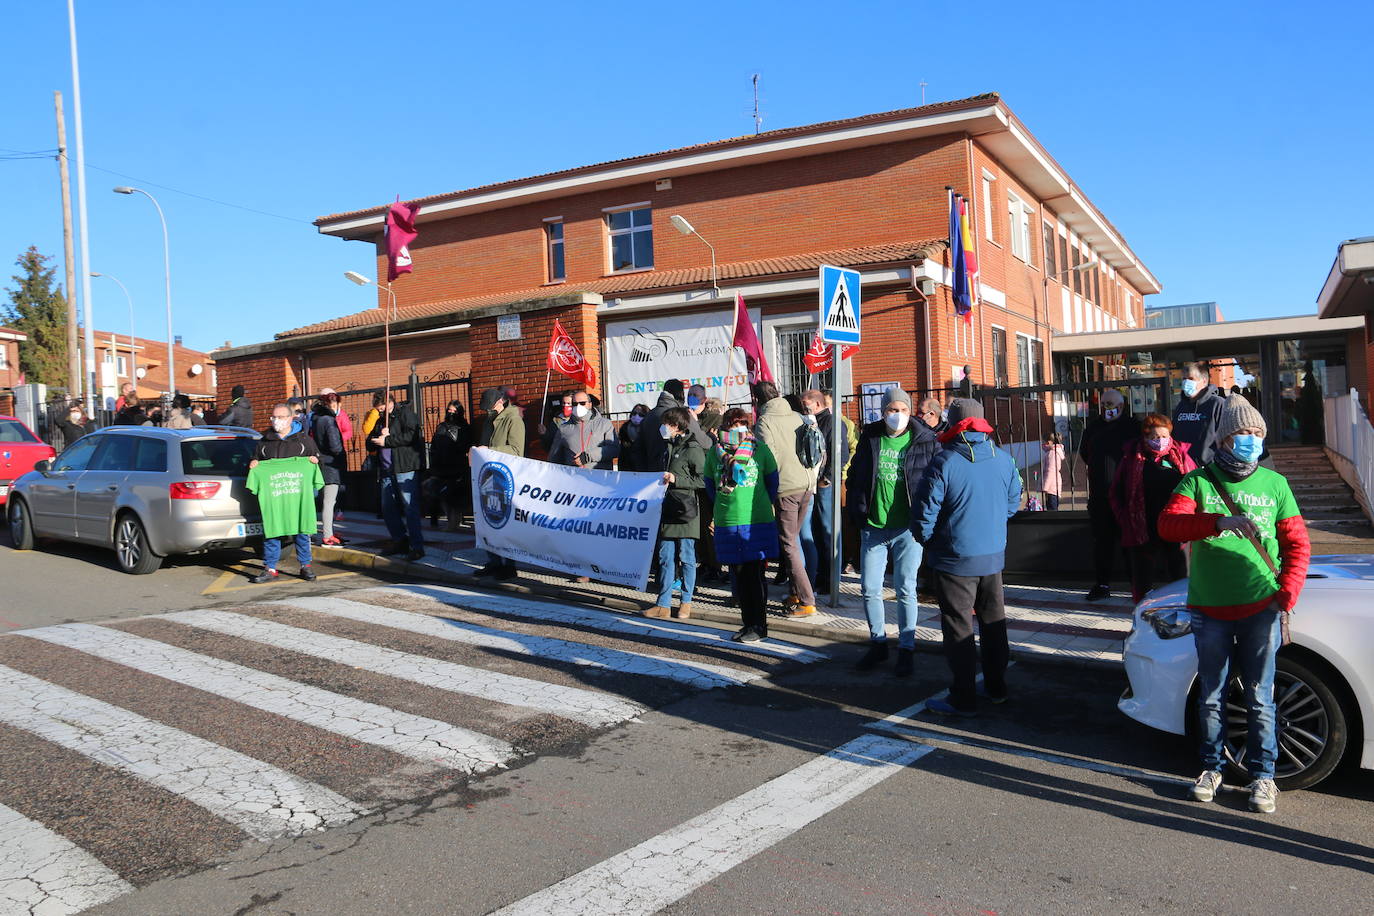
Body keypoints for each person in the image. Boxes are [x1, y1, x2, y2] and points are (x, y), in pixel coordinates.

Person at [1158, 395, 1310, 815]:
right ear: (1224, 439)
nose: (1251, 440)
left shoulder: (1275, 484)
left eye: (1257, 433)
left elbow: (1297, 543)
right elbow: (1168, 525)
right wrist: (1215, 521)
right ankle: (1211, 768)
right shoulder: (1199, 482)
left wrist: (1289, 592)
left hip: (1261, 607)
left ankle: (1264, 777)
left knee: (1261, 698)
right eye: (1243, 433)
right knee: (1211, 695)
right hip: (1210, 610)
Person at [912, 398, 1022, 717]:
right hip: (991, 556)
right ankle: (996, 687)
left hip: (954, 558)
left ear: (955, 423)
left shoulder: (944, 461)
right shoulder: (1003, 458)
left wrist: (929, 541)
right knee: (993, 623)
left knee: (959, 628)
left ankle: (963, 697)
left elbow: (924, 513)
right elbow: (1013, 503)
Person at [845, 387, 939, 676]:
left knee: (905, 588)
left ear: (910, 412)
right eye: (891, 410)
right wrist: (859, 510)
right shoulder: (871, 437)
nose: (897, 415)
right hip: (874, 527)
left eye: (903, 410)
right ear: (883, 411)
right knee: (870, 588)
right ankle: (878, 643)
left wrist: (925, 518)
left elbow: (936, 481)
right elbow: (855, 477)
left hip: (908, 529)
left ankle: (907, 648)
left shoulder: (925, 440)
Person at [704, 408, 780, 643]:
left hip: (755, 519)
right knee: (738, 576)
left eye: (742, 423)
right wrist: (722, 507)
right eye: (733, 423)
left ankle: (759, 625)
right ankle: (747, 623)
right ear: (726, 426)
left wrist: (758, 503)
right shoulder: (715, 453)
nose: (738, 428)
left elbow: (772, 483)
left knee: (754, 574)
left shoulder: (760, 450)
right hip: (728, 521)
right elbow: (710, 485)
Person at [1110, 413, 1196, 603]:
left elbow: (1196, 486)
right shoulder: (1132, 458)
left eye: (1164, 437)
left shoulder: (1180, 456)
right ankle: (1141, 616)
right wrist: (1125, 518)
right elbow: (1116, 491)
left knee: (1180, 575)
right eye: (1155, 438)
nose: (1160, 441)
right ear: (1145, 437)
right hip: (1142, 527)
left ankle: (1183, 614)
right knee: (1142, 579)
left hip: (1176, 526)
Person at [752, 380, 819, 618]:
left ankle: (807, 600)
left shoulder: (765, 421)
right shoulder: (796, 416)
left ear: (757, 400)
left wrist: (766, 491)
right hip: (807, 484)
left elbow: (767, 458)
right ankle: (797, 592)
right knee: (794, 542)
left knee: (789, 544)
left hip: (786, 488)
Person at [248, 403, 323, 584]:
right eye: (273, 417)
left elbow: (318, 465)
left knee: (301, 531)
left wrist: (315, 461)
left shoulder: (305, 441)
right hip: (275, 498)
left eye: (280, 417)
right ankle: (270, 568)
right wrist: (254, 463)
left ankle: (306, 566)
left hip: (297, 496)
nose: (276, 420)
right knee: (272, 531)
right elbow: (255, 459)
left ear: (290, 418)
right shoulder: (264, 442)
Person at [1078, 388, 1135, 601]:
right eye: (1104, 404)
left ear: (1122, 406)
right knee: (1102, 543)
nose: (1107, 408)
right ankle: (1102, 585)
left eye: (1112, 404)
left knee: (1131, 543)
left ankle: (1137, 586)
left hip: (1126, 497)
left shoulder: (1132, 427)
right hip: (1100, 497)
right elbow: (1085, 453)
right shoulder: (1093, 428)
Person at [650, 407, 705, 619]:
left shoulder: (693, 448)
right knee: (665, 557)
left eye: (667, 423)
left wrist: (677, 479)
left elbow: (702, 480)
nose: (663, 427)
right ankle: (662, 604)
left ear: (677, 426)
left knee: (687, 557)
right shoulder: (666, 446)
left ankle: (686, 602)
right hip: (668, 507)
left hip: (686, 509)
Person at [366, 396, 426, 562]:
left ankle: (417, 546)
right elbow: (368, 444)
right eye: (378, 409)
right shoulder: (380, 420)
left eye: (381, 408)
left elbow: (411, 436)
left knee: (409, 507)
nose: (379, 411)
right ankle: (400, 540)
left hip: (404, 467)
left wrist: (388, 440)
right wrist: (379, 435)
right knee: (387, 508)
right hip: (386, 470)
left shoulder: (405, 414)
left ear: (389, 403)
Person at [803, 388, 851, 595]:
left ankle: (831, 579)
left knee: (827, 531)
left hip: (824, 484)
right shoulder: (810, 422)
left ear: (817, 404)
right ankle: (821, 576)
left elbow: (840, 454)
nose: (803, 409)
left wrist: (828, 478)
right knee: (816, 531)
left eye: (806, 405)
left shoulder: (832, 423)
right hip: (812, 483)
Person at [476, 387, 524, 579]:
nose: (487, 410)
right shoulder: (490, 420)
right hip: (489, 476)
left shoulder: (514, 419)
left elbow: (516, 450)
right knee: (489, 521)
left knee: (505, 523)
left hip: (506, 478)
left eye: (490, 406)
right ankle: (494, 561)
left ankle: (509, 565)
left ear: (501, 402)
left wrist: (488, 450)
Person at [632, 378, 710, 471]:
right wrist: (711, 436)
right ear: (681, 394)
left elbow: (638, 448)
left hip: (651, 471)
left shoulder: (649, 416)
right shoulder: (682, 414)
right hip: (676, 472)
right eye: (688, 395)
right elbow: (705, 443)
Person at [429, 400, 472, 532]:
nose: (451, 413)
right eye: (449, 410)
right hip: (441, 465)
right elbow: (434, 445)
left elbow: (466, 445)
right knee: (442, 495)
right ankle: (450, 521)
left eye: (454, 411)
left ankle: (454, 523)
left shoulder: (464, 427)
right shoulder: (441, 426)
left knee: (454, 497)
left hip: (456, 466)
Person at [548, 389, 618, 469]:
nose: (578, 406)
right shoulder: (563, 428)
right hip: (574, 477)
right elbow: (554, 457)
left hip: (599, 476)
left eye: (582, 403)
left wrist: (588, 456)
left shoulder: (605, 424)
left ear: (589, 404)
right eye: (574, 404)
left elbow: (614, 449)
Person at [1173, 361, 1226, 466]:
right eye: (1184, 379)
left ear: (1204, 381)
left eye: (1191, 379)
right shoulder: (1181, 406)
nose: (1186, 382)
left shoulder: (1217, 404)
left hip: (1208, 468)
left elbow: (1226, 437)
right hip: (1182, 467)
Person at [311, 394, 348, 546]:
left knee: (325, 501)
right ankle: (328, 534)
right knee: (329, 502)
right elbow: (335, 446)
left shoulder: (316, 419)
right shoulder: (329, 420)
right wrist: (340, 453)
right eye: (335, 405)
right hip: (332, 464)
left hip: (321, 463)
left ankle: (329, 531)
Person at [617, 404, 651, 471]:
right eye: (634, 413)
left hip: (645, 469)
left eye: (641, 414)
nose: (636, 416)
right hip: (628, 469)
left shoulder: (650, 432)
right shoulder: (624, 431)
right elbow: (622, 456)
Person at [1041, 432, 1064, 510]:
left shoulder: (1052, 453)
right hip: (1054, 487)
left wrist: (1045, 487)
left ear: (1049, 442)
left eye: (1043, 442)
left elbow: (1051, 470)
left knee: (1052, 511)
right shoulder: (1052, 452)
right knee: (1053, 509)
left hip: (1051, 488)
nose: (1042, 444)